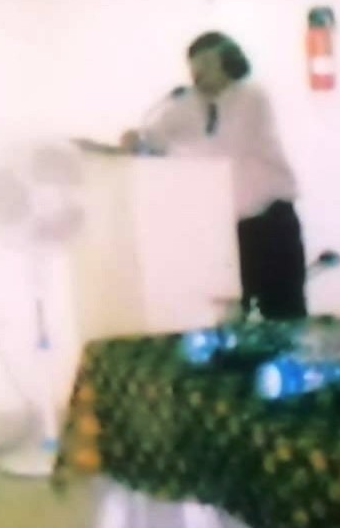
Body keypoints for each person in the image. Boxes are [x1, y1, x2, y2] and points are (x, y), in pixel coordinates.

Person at [123, 32, 307, 320]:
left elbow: (224, 148)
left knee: (284, 312)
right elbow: (156, 137)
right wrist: (139, 141)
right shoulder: (188, 103)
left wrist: (168, 149)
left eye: (207, 64)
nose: (198, 74)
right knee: (229, 314)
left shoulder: (251, 96)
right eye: (194, 67)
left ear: (230, 62)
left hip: (270, 223)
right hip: (224, 228)